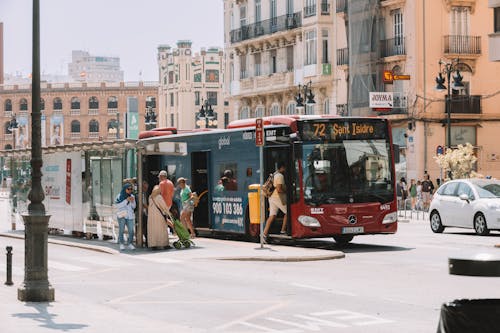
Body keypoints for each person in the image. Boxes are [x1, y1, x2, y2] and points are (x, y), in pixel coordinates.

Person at [263, 162, 287, 239]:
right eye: (285, 168)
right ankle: (283, 231)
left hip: (271, 197)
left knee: (272, 215)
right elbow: (279, 189)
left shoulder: (274, 174)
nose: (285, 169)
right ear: (282, 167)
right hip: (278, 198)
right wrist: (287, 191)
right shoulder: (280, 176)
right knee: (288, 213)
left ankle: (264, 234)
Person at [147, 184, 172, 249]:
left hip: (151, 217)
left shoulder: (150, 197)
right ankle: (164, 244)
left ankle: (153, 245)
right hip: (159, 216)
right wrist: (168, 213)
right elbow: (163, 206)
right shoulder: (159, 197)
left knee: (153, 230)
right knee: (162, 230)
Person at [115, 183, 136, 251]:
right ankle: (121, 243)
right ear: (125, 189)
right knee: (121, 230)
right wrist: (126, 200)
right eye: (128, 189)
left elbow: (134, 207)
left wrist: (132, 201)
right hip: (122, 215)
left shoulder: (132, 196)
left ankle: (130, 243)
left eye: (131, 189)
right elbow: (118, 206)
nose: (130, 190)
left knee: (131, 231)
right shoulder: (119, 196)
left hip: (129, 216)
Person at [141, 180, 149, 247]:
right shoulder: (141, 194)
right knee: (145, 227)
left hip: (144, 212)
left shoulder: (144, 193)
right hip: (142, 212)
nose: (146, 189)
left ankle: (146, 240)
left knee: (145, 227)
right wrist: (148, 208)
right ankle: (146, 241)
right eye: (145, 187)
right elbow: (142, 203)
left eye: (146, 188)